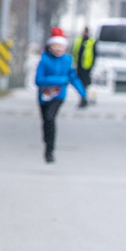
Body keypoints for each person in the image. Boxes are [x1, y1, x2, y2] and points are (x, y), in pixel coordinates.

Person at [34, 27, 87, 163]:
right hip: (44, 96)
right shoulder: (44, 60)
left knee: (51, 118)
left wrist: (83, 94)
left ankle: (50, 150)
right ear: (50, 46)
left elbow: (73, 78)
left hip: (58, 96)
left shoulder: (67, 60)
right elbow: (38, 80)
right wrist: (60, 80)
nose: (58, 49)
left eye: (61, 46)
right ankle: (47, 141)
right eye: (55, 45)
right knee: (45, 120)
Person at [72, 27, 96, 102]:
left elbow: (95, 54)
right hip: (78, 64)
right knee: (79, 81)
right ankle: (83, 97)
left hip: (87, 65)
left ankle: (84, 97)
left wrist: (92, 65)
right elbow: (74, 50)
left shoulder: (92, 41)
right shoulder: (78, 39)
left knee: (85, 82)